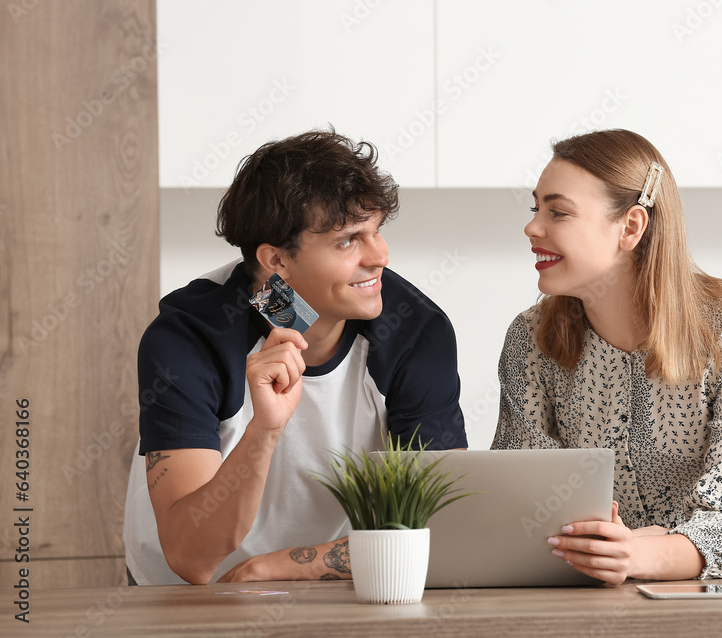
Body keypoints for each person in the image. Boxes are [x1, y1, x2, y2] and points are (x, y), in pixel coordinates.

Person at [123, 129, 468, 585]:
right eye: (349, 240)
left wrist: (272, 568)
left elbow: (442, 526)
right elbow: (192, 558)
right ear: (276, 260)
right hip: (180, 597)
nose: (379, 255)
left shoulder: (415, 332)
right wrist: (265, 430)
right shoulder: (190, 337)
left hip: (329, 587)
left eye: (377, 230)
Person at [491, 129, 722, 587]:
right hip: (599, 599)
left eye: (557, 212)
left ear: (631, 226)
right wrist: (617, 551)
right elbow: (519, 499)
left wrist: (640, 552)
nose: (533, 227)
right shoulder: (530, 341)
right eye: (535, 208)